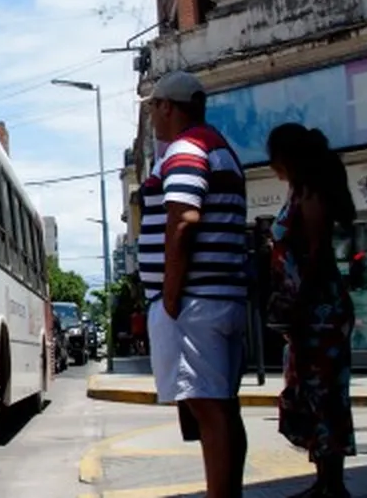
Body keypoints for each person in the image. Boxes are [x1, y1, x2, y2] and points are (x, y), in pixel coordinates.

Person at [137, 71, 249, 498]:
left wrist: (169, 295)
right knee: (218, 405)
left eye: (153, 107)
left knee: (208, 406)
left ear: (169, 106)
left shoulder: (186, 148)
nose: (152, 116)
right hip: (215, 298)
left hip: (194, 303)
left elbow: (182, 220)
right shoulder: (220, 148)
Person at [266, 123, 357, 498]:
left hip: (319, 312)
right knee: (311, 392)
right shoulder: (297, 191)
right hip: (309, 312)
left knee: (324, 394)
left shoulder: (311, 194)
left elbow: (318, 255)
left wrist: (300, 305)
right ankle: (324, 480)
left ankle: (332, 484)